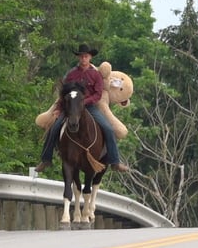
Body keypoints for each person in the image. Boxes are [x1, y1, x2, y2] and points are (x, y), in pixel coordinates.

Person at [35, 44, 130, 173]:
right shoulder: (72, 74)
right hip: (71, 107)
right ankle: (46, 159)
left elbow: (98, 94)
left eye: (86, 56)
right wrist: (58, 108)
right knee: (55, 127)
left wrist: (84, 101)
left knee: (107, 128)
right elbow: (64, 93)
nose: (83, 59)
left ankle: (115, 161)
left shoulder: (95, 75)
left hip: (90, 107)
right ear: (79, 57)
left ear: (90, 57)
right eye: (81, 56)